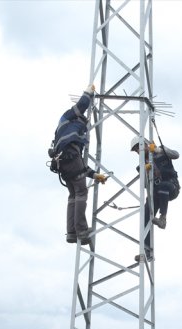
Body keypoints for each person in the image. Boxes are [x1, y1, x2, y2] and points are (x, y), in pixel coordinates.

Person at [52, 85, 107, 245]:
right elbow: (82, 105)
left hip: (63, 164)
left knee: (73, 195)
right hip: (68, 160)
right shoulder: (67, 118)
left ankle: (71, 232)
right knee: (81, 192)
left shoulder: (72, 137)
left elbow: (80, 166)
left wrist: (94, 175)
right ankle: (81, 231)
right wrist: (88, 93)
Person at [130, 136, 180, 262]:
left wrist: (158, 150)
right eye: (136, 150)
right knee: (146, 216)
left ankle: (163, 218)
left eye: (138, 148)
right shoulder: (142, 164)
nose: (137, 151)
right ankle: (147, 250)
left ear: (146, 145)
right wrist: (145, 169)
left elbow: (176, 155)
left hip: (170, 186)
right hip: (155, 193)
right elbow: (140, 173)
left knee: (163, 186)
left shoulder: (161, 153)